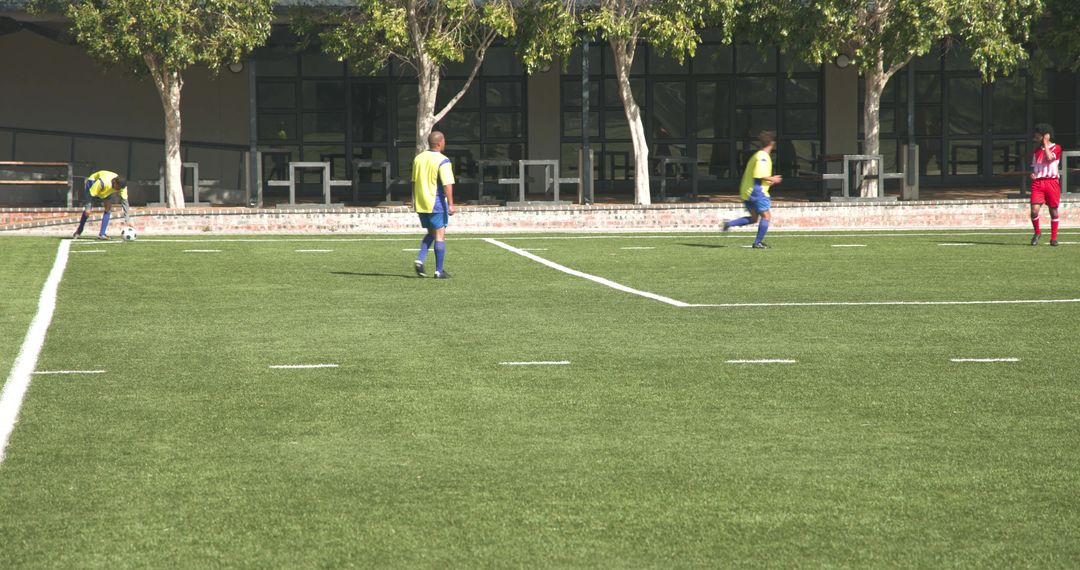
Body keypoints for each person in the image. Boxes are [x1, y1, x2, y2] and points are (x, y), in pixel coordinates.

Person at [723, 130, 782, 248]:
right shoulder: (763, 157)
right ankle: (757, 242)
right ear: (772, 143)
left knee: (755, 218)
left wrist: (769, 181)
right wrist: (773, 179)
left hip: (748, 191)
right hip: (755, 192)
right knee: (766, 216)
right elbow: (758, 175)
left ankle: (729, 224)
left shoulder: (757, 155)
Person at [412, 130, 456, 278]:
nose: (445, 143)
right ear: (439, 143)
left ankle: (420, 259)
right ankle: (439, 271)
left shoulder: (418, 158)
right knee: (439, 234)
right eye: (444, 141)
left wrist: (414, 200)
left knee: (430, 233)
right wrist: (451, 204)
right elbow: (447, 183)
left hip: (421, 202)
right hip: (435, 201)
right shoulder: (443, 160)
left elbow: (414, 181)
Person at [72, 170, 132, 240]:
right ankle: (79, 230)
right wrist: (88, 207)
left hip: (106, 190)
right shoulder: (103, 182)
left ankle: (102, 234)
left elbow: (125, 202)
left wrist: (127, 219)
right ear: (114, 182)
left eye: (120, 189)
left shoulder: (122, 187)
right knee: (87, 212)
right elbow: (91, 194)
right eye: (118, 188)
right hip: (92, 183)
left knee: (108, 208)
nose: (118, 190)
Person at [1029, 123, 1062, 246]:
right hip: (1038, 183)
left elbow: (1049, 158)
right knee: (1034, 210)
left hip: (1052, 182)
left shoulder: (1056, 148)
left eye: (1037, 135)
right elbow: (1035, 167)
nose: (1035, 137)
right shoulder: (1036, 150)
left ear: (1045, 136)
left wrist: (1046, 144)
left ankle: (1053, 238)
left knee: (1053, 210)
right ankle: (1037, 232)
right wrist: (1033, 174)